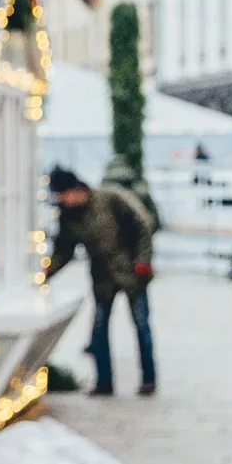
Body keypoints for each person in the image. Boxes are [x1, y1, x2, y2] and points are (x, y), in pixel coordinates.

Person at [45, 165, 158, 397]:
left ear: (76, 190)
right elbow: (63, 250)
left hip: (131, 273)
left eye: (64, 195)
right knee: (99, 331)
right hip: (102, 278)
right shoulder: (69, 218)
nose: (63, 201)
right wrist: (46, 273)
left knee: (141, 326)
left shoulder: (110, 199)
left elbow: (143, 224)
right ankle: (104, 381)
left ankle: (149, 378)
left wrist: (142, 260)